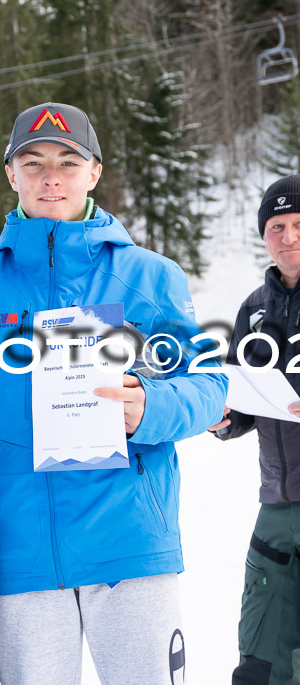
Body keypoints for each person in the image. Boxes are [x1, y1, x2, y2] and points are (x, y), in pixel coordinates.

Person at [0, 102, 227, 684]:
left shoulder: (149, 276)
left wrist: (151, 407)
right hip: (22, 554)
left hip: (129, 545)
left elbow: (208, 385)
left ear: (94, 172)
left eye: (68, 162)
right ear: (10, 175)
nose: (51, 177)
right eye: (34, 161)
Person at [209, 174, 300, 685]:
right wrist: (223, 421)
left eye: (298, 224)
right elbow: (242, 398)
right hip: (277, 507)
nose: (288, 236)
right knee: (261, 663)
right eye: (277, 226)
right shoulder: (254, 309)